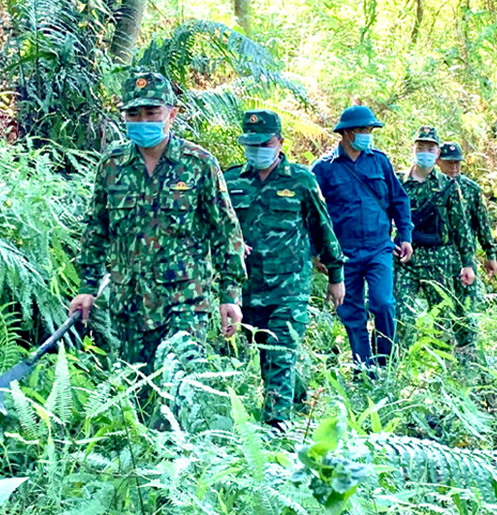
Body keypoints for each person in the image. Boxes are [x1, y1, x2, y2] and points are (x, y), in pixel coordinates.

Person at [70, 69, 245, 371]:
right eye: (134, 114)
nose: (143, 121)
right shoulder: (112, 165)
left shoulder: (198, 164)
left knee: (180, 386)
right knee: (138, 393)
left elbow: (225, 231)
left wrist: (229, 294)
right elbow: (96, 228)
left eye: (152, 112)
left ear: (171, 113)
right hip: (130, 303)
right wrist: (87, 286)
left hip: (185, 300)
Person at [224, 110, 345, 429]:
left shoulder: (301, 180)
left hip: (289, 290)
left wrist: (336, 275)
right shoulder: (230, 180)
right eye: (250, 144)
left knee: (278, 352)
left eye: (264, 143)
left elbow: (323, 227)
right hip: (245, 290)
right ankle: (301, 395)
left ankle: (275, 432)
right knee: (269, 357)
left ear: (279, 142)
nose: (257, 150)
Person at [311, 105, 412, 370]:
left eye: (369, 130)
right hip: (344, 253)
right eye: (362, 130)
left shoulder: (380, 161)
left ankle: (385, 363)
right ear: (345, 133)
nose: (367, 134)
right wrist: (316, 251)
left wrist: (405, 236)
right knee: (352, 313)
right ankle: (363, 370)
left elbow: (399, 200)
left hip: (379, 248)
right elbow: (311, 214)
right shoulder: (323, 169)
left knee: (383, 303)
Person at [395, 129, 476, 357]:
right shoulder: (398, 182)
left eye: (430, 149)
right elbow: (382, 215)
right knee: (401, 315)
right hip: (404, 261)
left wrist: (467, 263)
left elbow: (461, 227)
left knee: (441, 318)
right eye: (420, 148)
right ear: (413, 149)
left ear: (437, 153)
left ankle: (443, 369)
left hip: (438, 261)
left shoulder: (448, 186)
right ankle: (397, 367)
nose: (424, 153)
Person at [436, 142, 497, 278]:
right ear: (439, 162)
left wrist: (490, 254)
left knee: (469, 296)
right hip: (437, 256)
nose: (454, 167)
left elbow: (482, 223)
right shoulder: (431, 186)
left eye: (457, 163)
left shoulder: (471, 189)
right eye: (449, 163)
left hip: (465, 256)